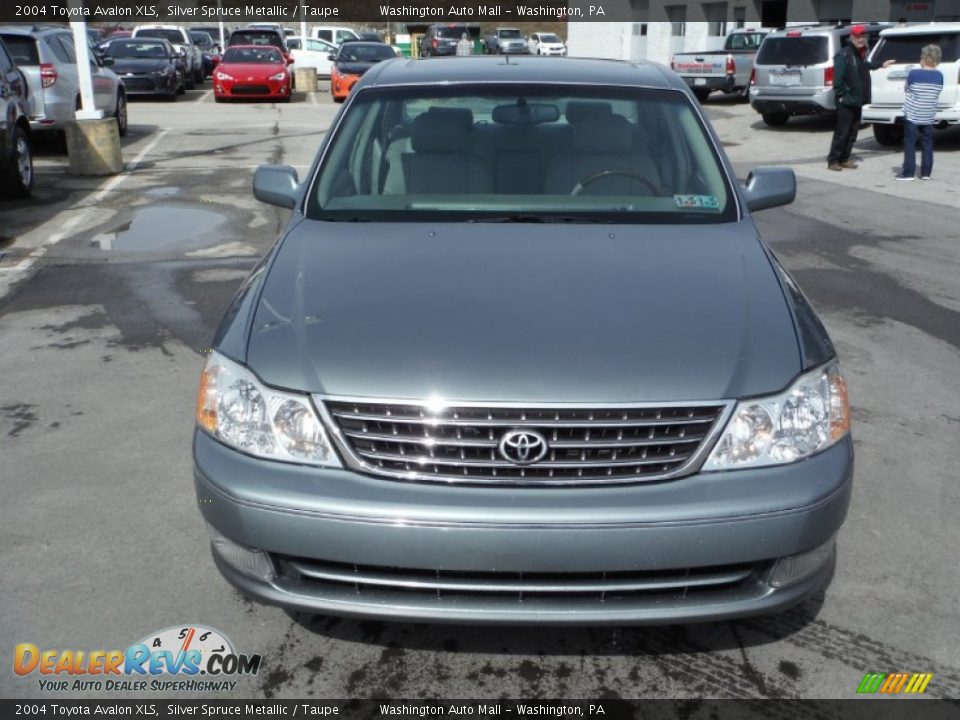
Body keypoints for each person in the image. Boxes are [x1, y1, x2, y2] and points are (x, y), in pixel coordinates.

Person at [827, 25, 895, 171]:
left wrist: (881, 64)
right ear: (852, 37)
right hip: (847, 101)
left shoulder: (860, 54)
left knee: (852, 132)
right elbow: (837, 80)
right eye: (858, 36)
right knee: (842, 133)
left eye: (863, 36)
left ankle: (844, 159)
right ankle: (833, 160)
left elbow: (865, 66)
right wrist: (843, 96)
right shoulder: (844, 54)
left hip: (857, 100)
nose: (861, 39)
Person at [895, 44, 943, 181]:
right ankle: (926, 173)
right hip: (928, 115)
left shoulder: (914, 73)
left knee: (910, 142)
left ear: (925, 58)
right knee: (927, 143)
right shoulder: (940, 76)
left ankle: (908, 173)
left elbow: (907, 89)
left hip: (913, 114)